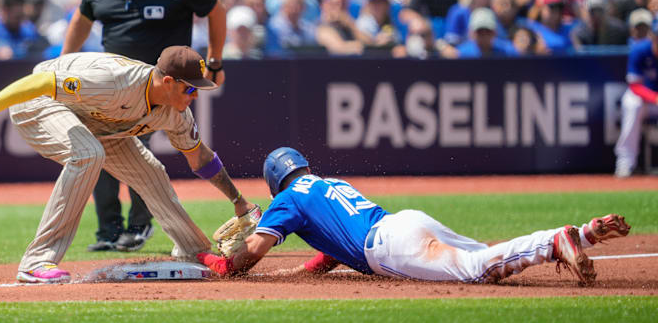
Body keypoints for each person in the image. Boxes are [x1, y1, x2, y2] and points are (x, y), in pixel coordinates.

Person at [0, 46, 257, 283]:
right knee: (87, 154)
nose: (194, 95)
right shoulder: (114, 82)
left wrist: (238, 201)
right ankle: (36, 261)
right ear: (167, 81)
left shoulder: (176, 112)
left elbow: (199, 156)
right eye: (190, 88)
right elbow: (40, 82)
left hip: (98, 120)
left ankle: (191, 249)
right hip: (41, 103)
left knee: (151, 172)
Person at [196, 147, 630, 285]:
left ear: (276, 182)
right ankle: (582, 236)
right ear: (303, 166)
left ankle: (558, 240)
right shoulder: (329, 185)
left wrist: (217, 263)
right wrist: (298, 273)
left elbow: (247, 256)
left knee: (478, 270)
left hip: (388, 246)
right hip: (405, 223)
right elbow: (330, 254)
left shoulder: (287, 199)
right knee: (485, 254)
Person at [61, 0, 229, 253]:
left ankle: (139, 226)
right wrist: (63, 63)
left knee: (137, 149)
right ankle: (109, 230)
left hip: (161, 85)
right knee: (101, 148)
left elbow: (215, 10)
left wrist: (214, 61)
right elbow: (82, 17)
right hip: (113, 84)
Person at [614, 20, 658, 178]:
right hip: (644, 98)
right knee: (631, 104)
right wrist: (654, 97)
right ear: (652, 36)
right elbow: (634, 85)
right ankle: (625, 162)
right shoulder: (640, 50)